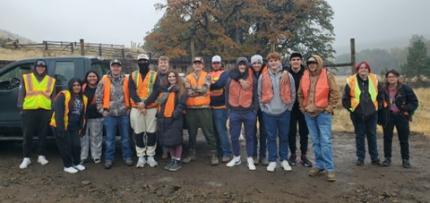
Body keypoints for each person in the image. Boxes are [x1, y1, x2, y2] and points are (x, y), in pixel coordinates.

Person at [298, 55, 339, 182]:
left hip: (323, 114)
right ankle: (319, 165)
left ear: (319, 63)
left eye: (314, 62)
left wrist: (329, 108)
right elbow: (300, 93)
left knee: (325, 141)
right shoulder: (304, 75)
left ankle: (330, 169)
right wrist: (302, 107)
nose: (311, 64)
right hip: (309, 114)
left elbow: (335, 93)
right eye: (309, 62)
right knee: (315, 141)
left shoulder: (327, 75)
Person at [258, 52, 296, 172]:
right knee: (271, 138)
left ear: (280, 61)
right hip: (269, 114)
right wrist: (264, 108)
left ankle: (284, 159)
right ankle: (272, 160)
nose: (273, 63)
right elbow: (259, 94)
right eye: (271, 61)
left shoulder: (287, 76)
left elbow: (293, 92)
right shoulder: (262, 77)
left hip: (284, 112)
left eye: (276, 60)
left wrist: (289, 108)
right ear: (268, 63)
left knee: (284, 136)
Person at [342, 61, 383, 166]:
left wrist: (378, 108)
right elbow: (345, 99)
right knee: (360, 136)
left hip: (372, 114)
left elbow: (381, 95)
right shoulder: (351, 81)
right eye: (361, 68)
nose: (363, 70)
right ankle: (360, 158)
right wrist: (352, 110)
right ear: (357, 70)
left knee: (372, 135)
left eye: (365, 68)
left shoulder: (375, 80)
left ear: (368, 70)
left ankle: (375, 158)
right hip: (357, 114)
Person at [18, 59, 56, 169]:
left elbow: (53, 96)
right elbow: (21, 93)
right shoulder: (27, 77)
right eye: (38, 66)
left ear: (45, 68)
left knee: (43, 134)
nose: (40, 68)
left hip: (45, 110)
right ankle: (26, 158)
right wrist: (21, 107)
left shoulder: (51, 80)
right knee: (27, 134)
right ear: (35, 67)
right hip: (29, 109)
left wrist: (52, 109)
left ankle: (41, 155)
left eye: (43, 66)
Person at [96, 59, 133, 169]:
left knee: (126, 138)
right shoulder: (104, 80)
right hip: (110, 115)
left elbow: (132, 94)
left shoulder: (127, 79)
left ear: (121, 68)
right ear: (110, 67)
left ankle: (127, 157)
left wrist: (130, 108)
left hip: (124, 114)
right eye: (114, 66)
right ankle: (109, 159)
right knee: (109, 138)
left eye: (118, 66)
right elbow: (98, 97)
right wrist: (102, 111)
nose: (116, 68)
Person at [183, 57, 219, 165]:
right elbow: (188, 92)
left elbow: (205, 90)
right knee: (191, 133)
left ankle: (213, 154)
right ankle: (191, 153)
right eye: (195, 63)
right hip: (191, 109)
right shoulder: (187, 77)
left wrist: (195, 89)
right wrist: (199, 90)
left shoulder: (208, 75)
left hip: (204, 108)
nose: (197, 65)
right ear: (192, 65)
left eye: (199, 63)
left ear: (203, 65)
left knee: (209, 132)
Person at [379, 69, 418, 168]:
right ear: (387, 78)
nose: (391, 78)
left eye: (393, 76)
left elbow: (414, 102)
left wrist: (405, 109)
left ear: (397, 77)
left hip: (401, 116)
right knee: (387, 138)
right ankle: (387, 159)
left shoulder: (405, 88)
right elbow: (379, 103)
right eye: (389, 77)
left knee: (403, 139)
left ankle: (405, 160)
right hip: (388, 116)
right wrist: (380, 116)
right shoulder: (383, 89)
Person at [225, 57, 258, 170]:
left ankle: (249, 158)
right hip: (234, 111)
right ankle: (236, 157)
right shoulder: (230, 78)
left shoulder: (252, 78)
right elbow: (226, 94)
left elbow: (256, 95)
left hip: (249, 111)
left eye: (244, 65)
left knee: (249, 136)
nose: (242, 67)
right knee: (234, 136)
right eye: (240, 64)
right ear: (237, 65)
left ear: (247, 66)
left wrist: (254, 110)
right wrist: (228, 109)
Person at [50, 78, 88, 174]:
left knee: (76, 145)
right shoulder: (63, 95)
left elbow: (83, 115)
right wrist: (60, 128)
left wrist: (82, 128)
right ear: (70, 86)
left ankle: (76, 163)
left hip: (74, 126)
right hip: (61, 125)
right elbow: (58, 112)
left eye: (78, 85)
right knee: (65, 146)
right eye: (74, 85)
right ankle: (67, 166)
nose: (76, 87)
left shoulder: (83, 98)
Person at [128, 54, 159, 168]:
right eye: (140, 61)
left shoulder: (155, 75)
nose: (142, 63)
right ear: (137, 62)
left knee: (151, 133)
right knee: (138, 133)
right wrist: (140, 104)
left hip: (151, 108)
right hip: (137, 108)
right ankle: (141, 156)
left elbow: (156, 91)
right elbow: (131, 91)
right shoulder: (133, 75)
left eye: (144, 61)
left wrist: (145, 104)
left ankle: (150, 156)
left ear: (148, 62)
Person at [157, 71, 187, 171]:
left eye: (173, 76)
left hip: (175, 118)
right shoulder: (165, 89)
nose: (171, 78)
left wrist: (175, 114)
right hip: (165, 118)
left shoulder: (181, 89)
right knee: (169, 140)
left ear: (177, 77)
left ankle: (177, 160)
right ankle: (173, 159)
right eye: (169, 76)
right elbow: (160, 102)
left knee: (176, 140)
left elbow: (182, 104)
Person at [286, 52, 312, 167]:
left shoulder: (307, 74)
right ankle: (292, 154)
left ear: (301, 61)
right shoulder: (285, 74)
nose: (295, 61)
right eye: (293, 59)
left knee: (304, 132)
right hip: (290, 108)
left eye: (298, 59)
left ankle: (304, 155)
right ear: (290, 62)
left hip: (303, 107)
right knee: (290, 132)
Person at [209, 55, 232, 163]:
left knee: (221, 130)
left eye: (218, 63)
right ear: (211, 64)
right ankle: (219, 151)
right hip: (210, 107)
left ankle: (227, 152)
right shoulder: (209, 74)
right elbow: (207, 86)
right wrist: (211, 85)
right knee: (214, 131)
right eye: (214, 63)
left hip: (221, 107)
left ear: (221, 63)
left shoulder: (225, 73)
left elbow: (220, 84)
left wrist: (210, 84)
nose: (216, 64)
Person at [80, 71, 103, 164]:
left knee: (96, 137)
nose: (92, 78)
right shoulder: (82, 87)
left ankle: (96, 156)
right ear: (86, 77)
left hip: (97, 116)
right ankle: (83, 156)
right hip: (83, 117)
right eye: (90, 76)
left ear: (97, 77)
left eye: (94, 76)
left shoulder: (101, 87)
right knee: (83, 137)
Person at [249, 54, 268, 165]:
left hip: (264, 105)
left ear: (262, 63)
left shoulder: (267, 71)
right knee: (252, 132)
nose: (256, 65)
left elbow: (281, 66)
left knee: (264, 132)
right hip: (251, 106)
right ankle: (254, 155)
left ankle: (263, 155)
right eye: (254, 63)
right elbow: (234, 73)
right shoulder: (248, 72)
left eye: (258, 62)